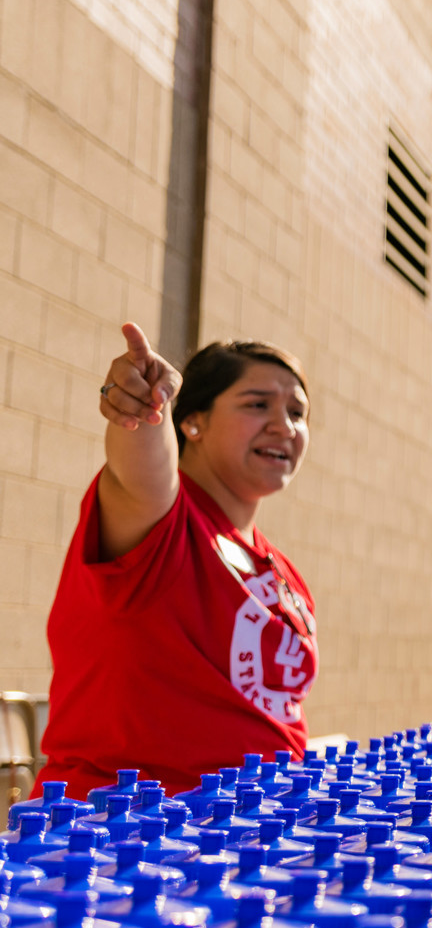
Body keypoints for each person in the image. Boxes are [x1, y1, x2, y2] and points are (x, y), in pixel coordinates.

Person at [36, 323, 318, 796]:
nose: (284, 425)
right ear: (193, 422)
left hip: (251, 838)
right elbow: (141, 472)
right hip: (124, 843)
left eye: (297, 412)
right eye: (257, 404)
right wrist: (146, 409)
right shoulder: (163, 522)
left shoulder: (281, 569)